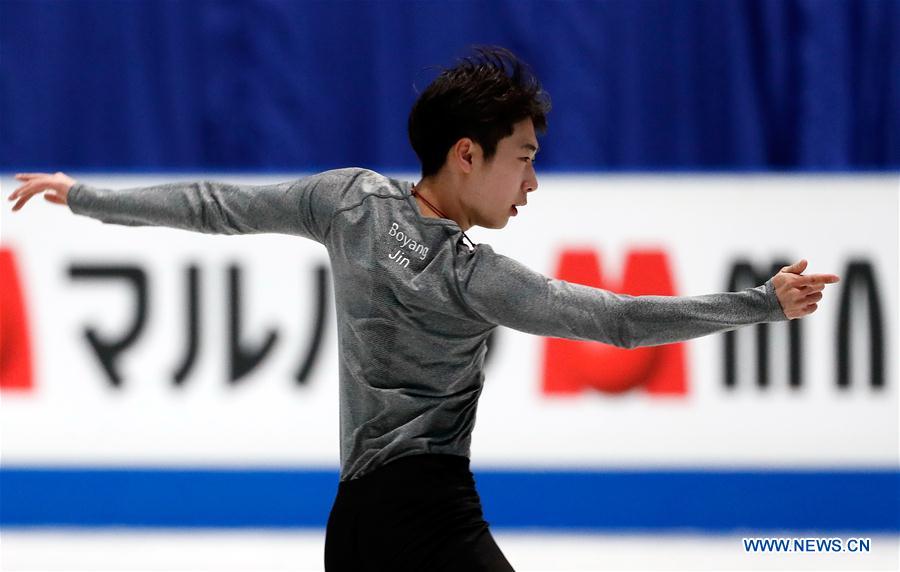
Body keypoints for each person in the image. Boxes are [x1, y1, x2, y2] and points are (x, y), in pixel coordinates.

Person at [7, 46, 839, 571]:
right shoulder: (477, 279)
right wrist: (758, 303)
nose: (532, 183)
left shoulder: (347, 202)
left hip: (355, 527)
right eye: (524, 159)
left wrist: (85, 197)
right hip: (430, 520)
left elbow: (214, 204)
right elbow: (619, 322)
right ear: (466, 154)